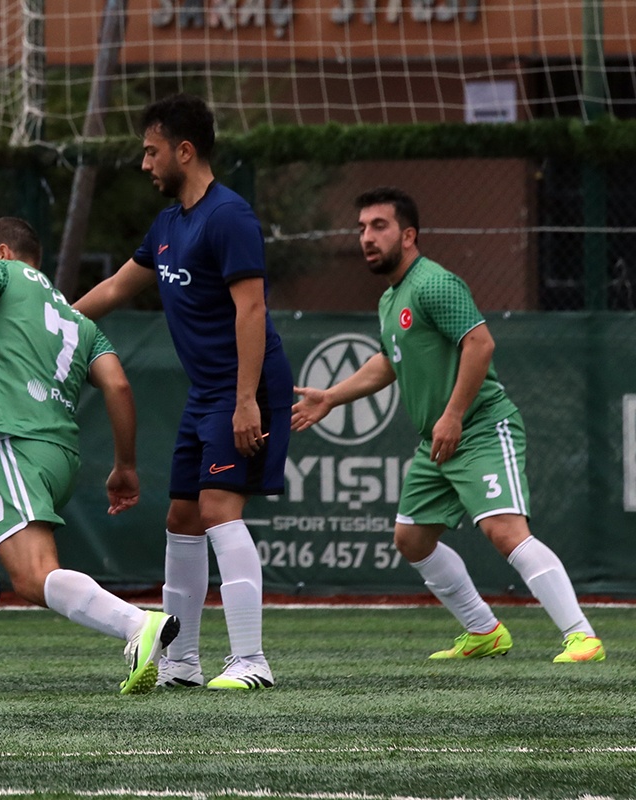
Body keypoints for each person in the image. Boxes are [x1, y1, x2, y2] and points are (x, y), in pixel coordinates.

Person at [291, 186, 605, 663]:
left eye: (379, 226)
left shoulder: (435, 283)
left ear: (409, 235)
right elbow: (388, 361)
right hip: (437, 441)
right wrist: (332, 396)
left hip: (479, 427)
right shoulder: (390, 298)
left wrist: (454, 414)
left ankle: (582, 636)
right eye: (361, 228)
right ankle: (484, 631)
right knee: (412, 539)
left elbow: (480, 344)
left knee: (504, 531)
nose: (367, 237)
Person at [0, 216, 179, 695]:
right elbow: (117, 385)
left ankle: (138, 624)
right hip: (59, 458)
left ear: (3, 252)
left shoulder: (1, 272)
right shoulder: (78, 320)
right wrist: (125, 467)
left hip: (16, 444)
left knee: (33, 576)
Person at [73, 94, 293, 691]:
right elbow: (115, 288)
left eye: (152, 151)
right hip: (207, 391)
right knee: (182, 517)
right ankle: (182, 662)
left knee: (218, 508)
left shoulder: (229, 216)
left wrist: (246, 401)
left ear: (185, 151)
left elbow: (252, 311)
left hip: (244, 386)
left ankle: (251, 660)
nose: (145, 163)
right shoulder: (168, 224)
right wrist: (52, 322)